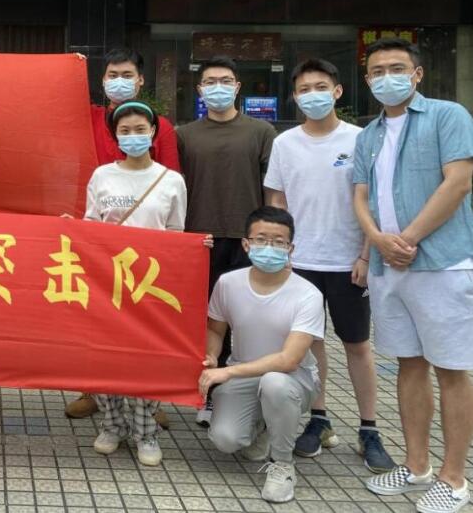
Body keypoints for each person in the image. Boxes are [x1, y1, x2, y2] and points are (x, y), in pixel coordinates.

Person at [352, 38, 473, 513]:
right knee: (409, 364)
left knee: (452, 369)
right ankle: (417, 465)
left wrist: (407, 239)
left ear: (417, 74)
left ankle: (454, 478)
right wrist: (377, 241)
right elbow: (361, 196)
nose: (388, 77)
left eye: (397, 68)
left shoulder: (448, 116)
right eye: (378, 71)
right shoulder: (369, 134)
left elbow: (458, 181)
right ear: (367, 80)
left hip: (441, 263)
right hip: (389, 267)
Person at [263, 58, 394, 473]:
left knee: (357, 344)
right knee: (310, 344)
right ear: (294, 96)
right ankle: (318, 419)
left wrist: (365, 255)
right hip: (299, 262)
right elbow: (276, 201)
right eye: (304, 89)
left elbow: (373, 202)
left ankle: (369, 428)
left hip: (348, 262)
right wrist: (282, 255)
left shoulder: (361, 139)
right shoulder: (285, 143)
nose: (312, 95)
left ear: (337, 91)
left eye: (320, 87)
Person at [67, 48, 181, 420]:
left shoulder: (160, 126)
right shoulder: (87, 118)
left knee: (145, 322)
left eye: (127, 74)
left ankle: (148, 397)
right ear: (102, 81)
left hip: (145, 240)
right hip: (97, 231)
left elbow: (171, 179)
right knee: (96, 319)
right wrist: (69, 66)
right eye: (112, 75)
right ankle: (92, 390)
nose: (119, 81)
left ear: (141, 80)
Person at [83, 101, 193, 467]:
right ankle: (112, 424)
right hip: (107, 282)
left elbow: (176, 233)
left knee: (147, 358)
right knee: (105, 357)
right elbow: (90, 226)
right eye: (125, 131)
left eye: (140, 129)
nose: (133, 136)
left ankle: (146, 432)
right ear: (115, 136)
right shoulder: (102, 176)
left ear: (153, 132)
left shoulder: (171, 180)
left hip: (150, 285)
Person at [177, 55, 277, 426]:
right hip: (200, 240)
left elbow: (272, 189)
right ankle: (208, 393)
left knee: (245, 319)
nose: (217, 87)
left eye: (225, 81)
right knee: (206, 321)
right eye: (210, 82)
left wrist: (267, 237)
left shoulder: (261, 132)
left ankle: (246, 396)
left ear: (237, 87)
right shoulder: (184, 135)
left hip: (247, 241)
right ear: (200, 89)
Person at [202, 206, 324, 504]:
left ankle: (282, 464)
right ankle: (265, 426)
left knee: (274, 384)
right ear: (246, 244)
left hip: (293, 379)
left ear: (290, 248)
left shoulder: (308, 294)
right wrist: (212, 356)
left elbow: (289, 360)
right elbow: (215, 329)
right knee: (226, 439)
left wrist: (226, 372)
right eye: (260, 239)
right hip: (244, 373)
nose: (269, 247)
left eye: (278, 241)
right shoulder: (228, 283)